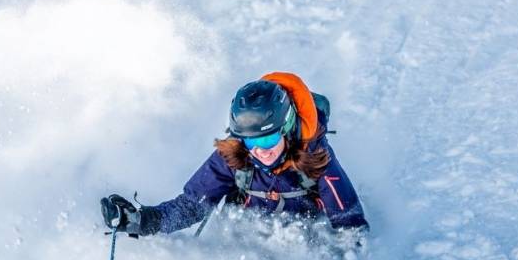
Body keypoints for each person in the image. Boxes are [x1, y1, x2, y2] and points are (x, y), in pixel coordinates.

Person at [100, 72, 368, 245]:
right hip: (247, 247)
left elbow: (352, 229)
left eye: (268, 140)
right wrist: (143, 220)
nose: (261, 151)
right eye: (251, 141)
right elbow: (192, 206)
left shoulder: (318, 161)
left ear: (286, 128)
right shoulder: (234, 156)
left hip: (306, 247)